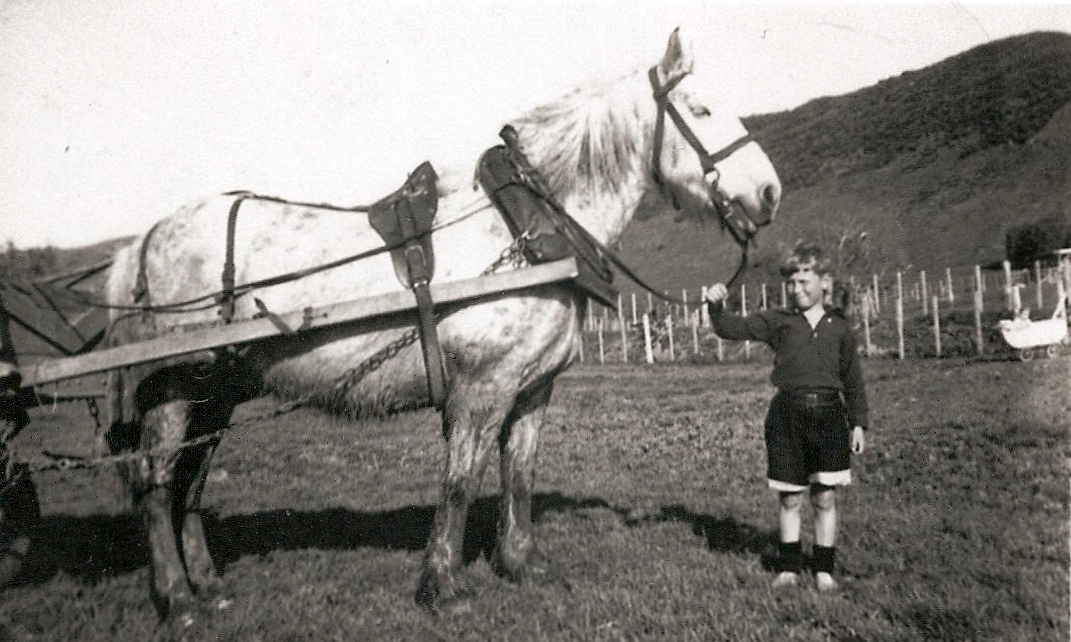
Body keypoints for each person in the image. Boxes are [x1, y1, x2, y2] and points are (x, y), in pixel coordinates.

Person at [704, 242, 868, 592]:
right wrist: (715, 306)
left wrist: (858, 422)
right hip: (786, 418)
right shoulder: (778, 321)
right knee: (790, 497)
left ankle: (824, 568)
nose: (797, 289)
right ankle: (789, 567)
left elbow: (853, 379)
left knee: (824, 496)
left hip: (829, 419)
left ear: (825, 282)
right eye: (792, 283)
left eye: (805, 281)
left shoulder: (840, 327)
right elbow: (731, 328)